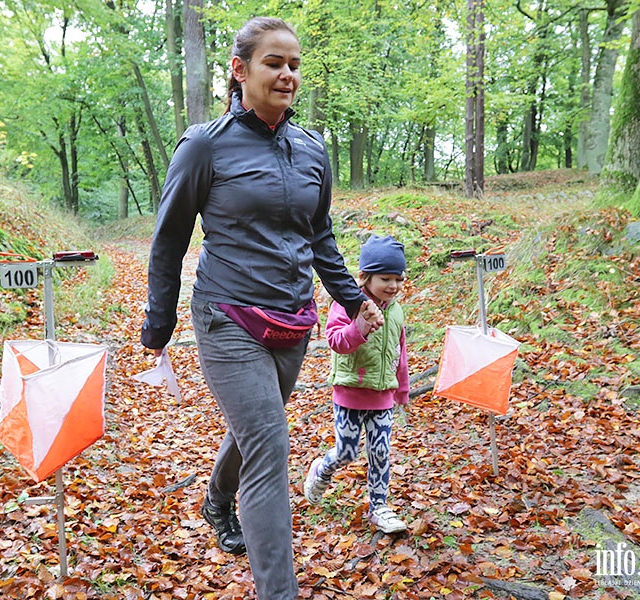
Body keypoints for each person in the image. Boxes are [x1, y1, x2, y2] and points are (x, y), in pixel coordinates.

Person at [140, 16, 381, 600]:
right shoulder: (206, 145)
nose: (287, 74)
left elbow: (319, 236)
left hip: (294, 320)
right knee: (271, 446)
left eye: (294, 64)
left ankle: (217, 498)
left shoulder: (312, 149)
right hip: (228, 317)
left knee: (256, 428)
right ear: (240, 70)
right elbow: (170, 236)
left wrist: (355, 301)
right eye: (274, 63)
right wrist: (159, 320)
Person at [303, 234, 410, 534]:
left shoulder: (396, 310)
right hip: (350, 394)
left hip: (382, 396)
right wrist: (359, 325)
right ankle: (321, 470)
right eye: (385, 278)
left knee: (380, 452)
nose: (393, 286)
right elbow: (335, 341)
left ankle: (379, 507)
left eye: (398, 279)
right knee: (347, 452)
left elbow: (399, 352)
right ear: (365, 277)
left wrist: (401, 388)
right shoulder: (348, 303)